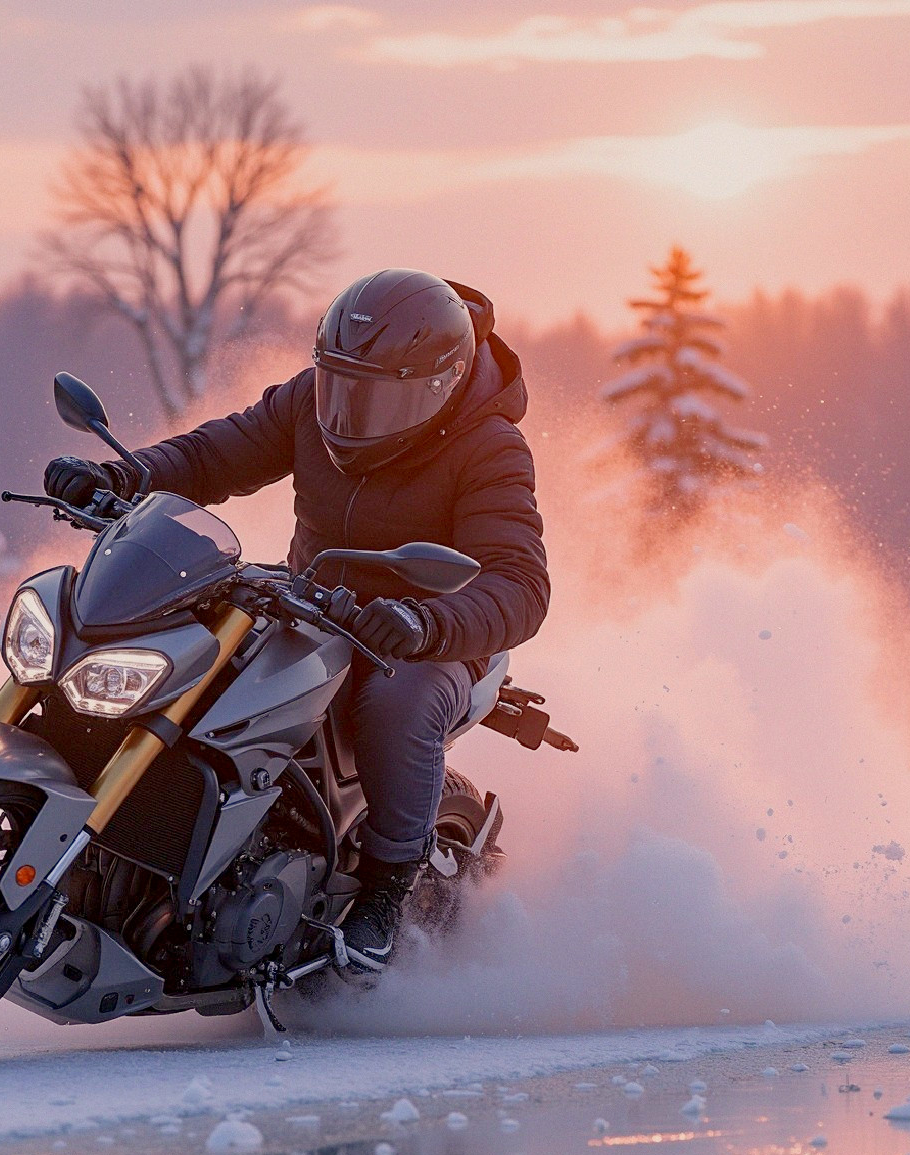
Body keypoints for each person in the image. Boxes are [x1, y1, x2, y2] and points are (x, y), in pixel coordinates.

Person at [44, 269, 549, 967]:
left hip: (429, 632)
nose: (347, 412)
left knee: (399, 701)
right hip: (313, 601)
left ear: (437, 387)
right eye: (340, 383)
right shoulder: (315, 400)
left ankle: (385, 891)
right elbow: (213, 454)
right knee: (183, 646)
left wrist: (426, 622)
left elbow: (519, 582)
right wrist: (127, 478)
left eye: (376, 396)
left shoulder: (487, 446)